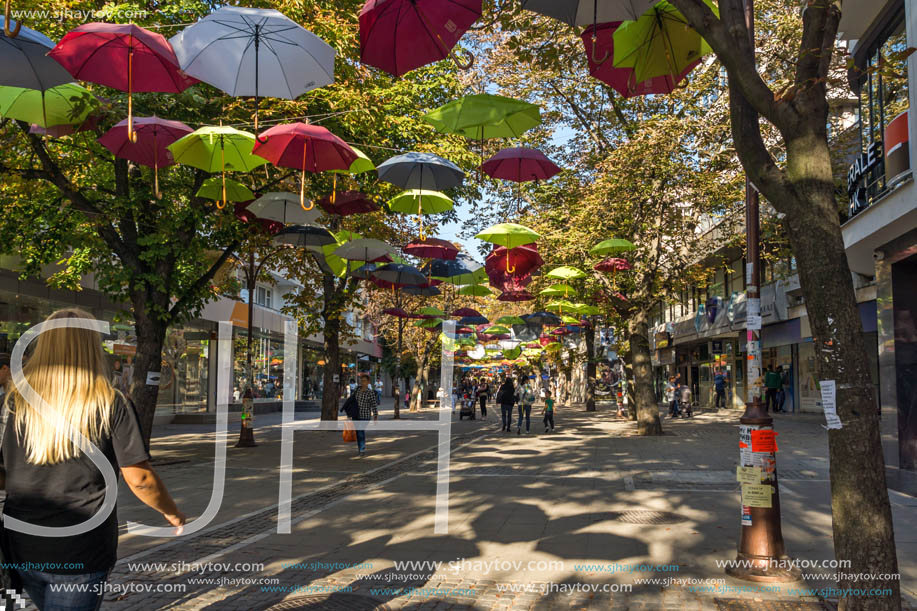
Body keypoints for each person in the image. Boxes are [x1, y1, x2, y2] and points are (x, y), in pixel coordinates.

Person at [1, 309, 185, 610]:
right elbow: (139, 477)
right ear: (91, 346)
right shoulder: (110, 403)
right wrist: (172, 512)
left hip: (22, 545)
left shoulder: (15, 402)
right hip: (80, 550)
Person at [350, 374, 379, 457]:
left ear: (368, 382)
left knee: (360, 431)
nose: (362, 382)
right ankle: (360, 449)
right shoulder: (357, 389)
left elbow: (374, 405)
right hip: (355, 414)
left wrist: (375, 416)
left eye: (364, 381)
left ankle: (362, 449)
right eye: (361, 381)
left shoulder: (370, 392)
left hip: (365, 415)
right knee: (358, 432)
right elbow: (352, 400)